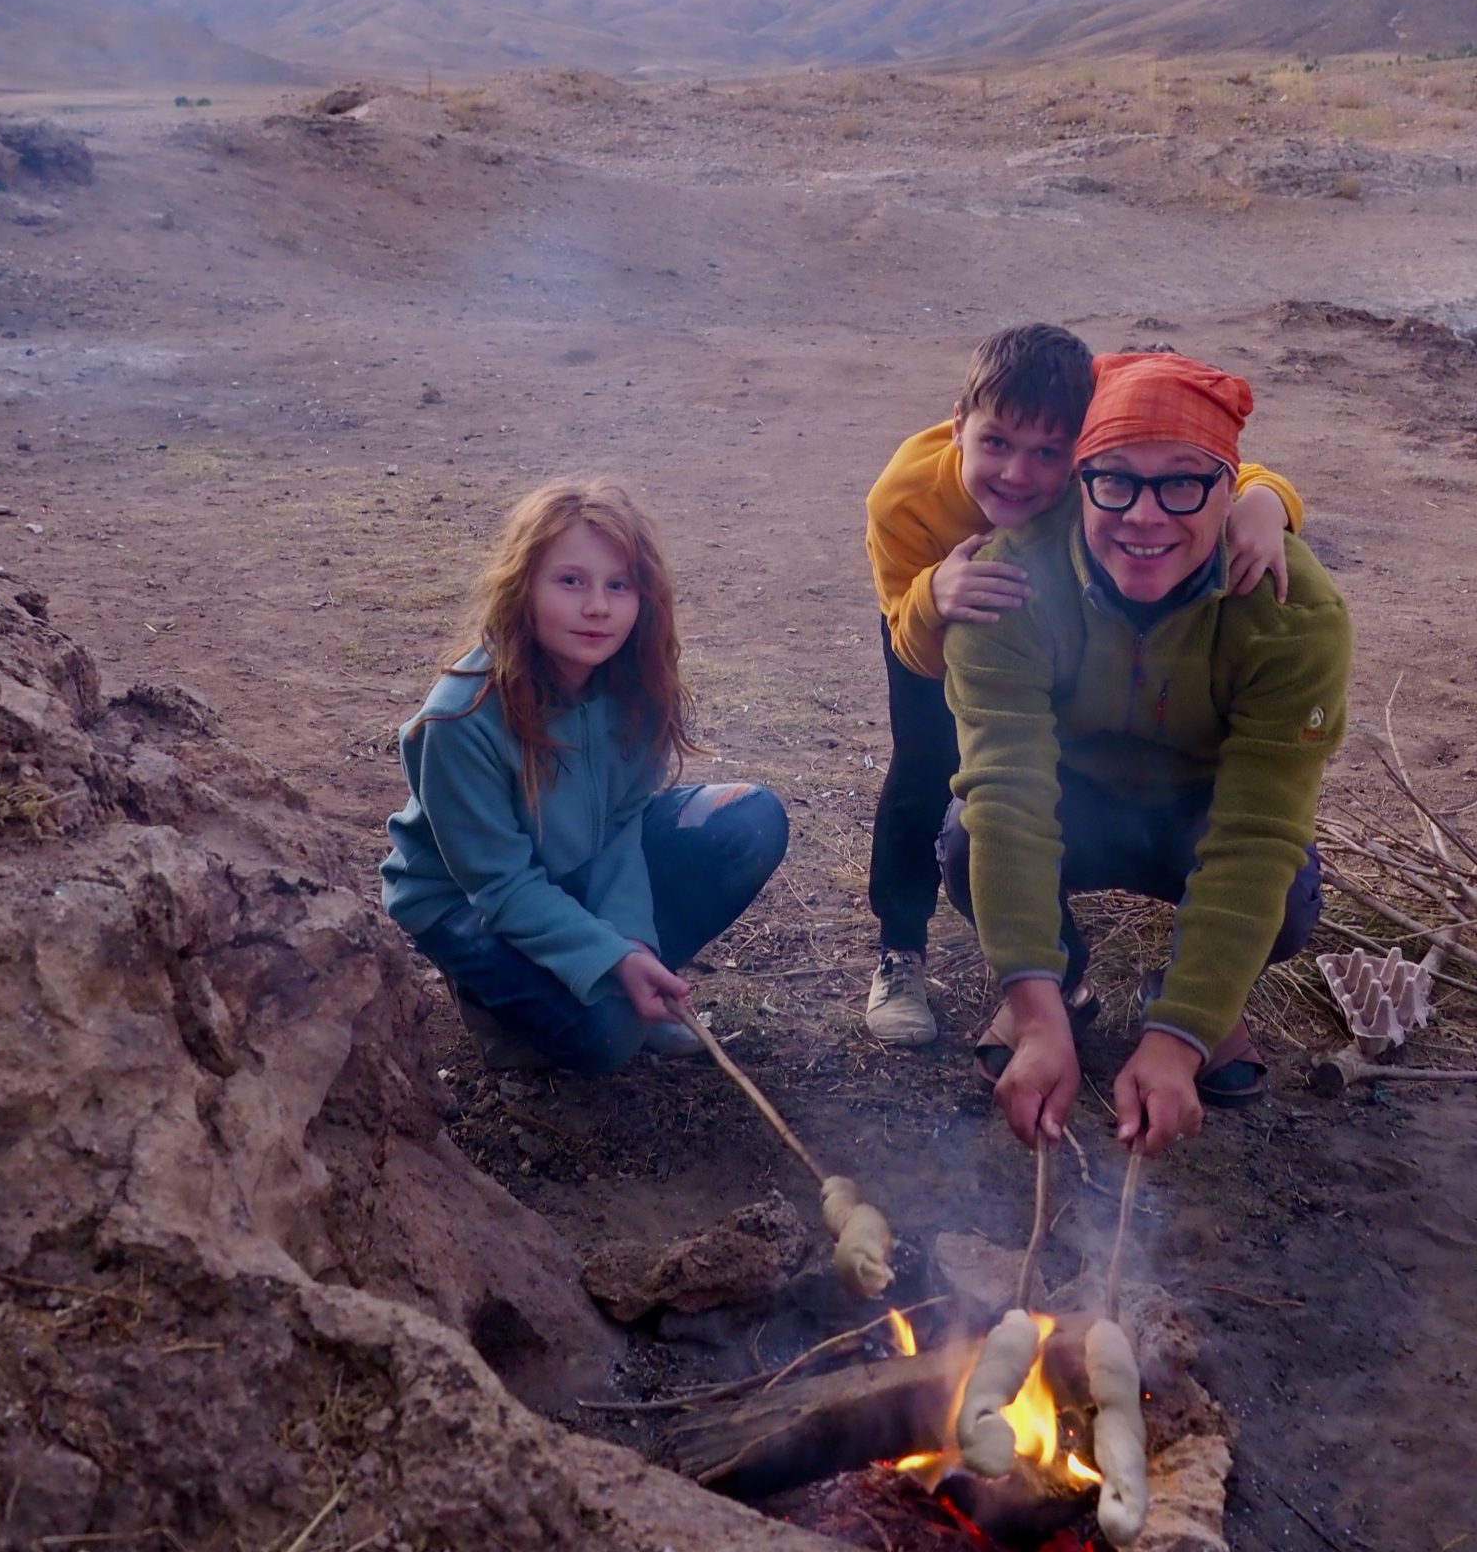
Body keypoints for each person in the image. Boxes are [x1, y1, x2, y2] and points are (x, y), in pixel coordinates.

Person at [938, 349, 1351, 1156]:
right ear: (1079, 480)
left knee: (1288, 895)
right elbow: (1008, 800)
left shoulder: (1292, 615)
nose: (1145, 515)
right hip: (1074, 801)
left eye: (1183, 482)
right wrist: (1031, 1008)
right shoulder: (1009, 588)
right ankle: (1058, 988)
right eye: (1115, 480)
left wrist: (1179, 1036)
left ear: (1231, 489)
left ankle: (1197, 1000)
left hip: (1199, 813)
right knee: (964, 841)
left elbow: (1256, 834)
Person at [861, 324, 1303, 1048]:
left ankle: (1056, 949)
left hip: (1047, 617)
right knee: (928, 772)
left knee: (1036, 770)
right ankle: (899, 949)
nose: (1017, 474)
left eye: (1049, 453)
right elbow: (908, 647)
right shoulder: (903, 500)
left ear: (1084, 449)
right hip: (937, 617)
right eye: (995, 443)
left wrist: (1268, 502)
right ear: (957, 428)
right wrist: (934, 596)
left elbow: (1218, 469)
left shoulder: (1097, 478)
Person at [381, 478, 788, 1074]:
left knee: (750, 822)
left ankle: (623, 985)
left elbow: (621, 826)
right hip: (467, 899)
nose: (598, 607)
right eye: (571, 581)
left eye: (618, 585)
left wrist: (633, 943)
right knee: (605, 1041)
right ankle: (494, 1004)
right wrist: (608, 956)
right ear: (523, 589)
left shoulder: (633, 686)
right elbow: (501, 885)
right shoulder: (457, 721)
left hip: (572, 870)